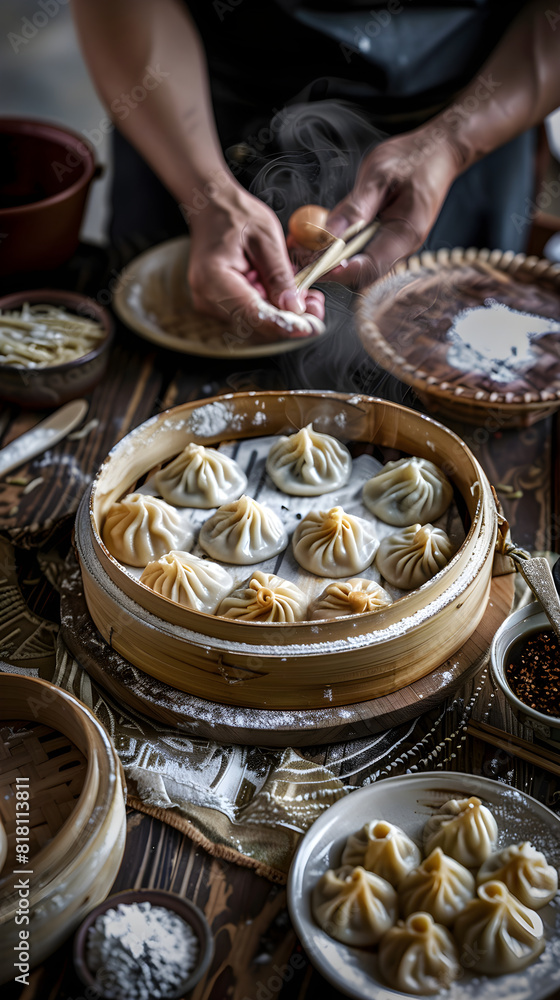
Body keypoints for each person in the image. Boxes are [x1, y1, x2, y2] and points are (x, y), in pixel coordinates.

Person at [73, 0, 560, 340]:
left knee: (451, 349)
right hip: (185, 107)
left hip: (481, 107)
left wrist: (453, 143)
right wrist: (209, 193)